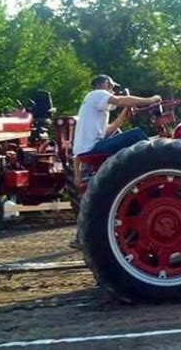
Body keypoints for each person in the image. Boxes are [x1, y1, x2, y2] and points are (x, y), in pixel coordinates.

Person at [70, 74, 161, 249]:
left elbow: (105, 134)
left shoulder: (92, 109)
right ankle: (153, 174)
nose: (113, 90)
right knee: (137, 135)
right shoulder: (96, 94)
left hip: (88, 151)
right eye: (111, 87)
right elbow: (119, 100)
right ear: (104, 84)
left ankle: (82, 236)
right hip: (93, 150)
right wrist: (150, 99)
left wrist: (122, 117)